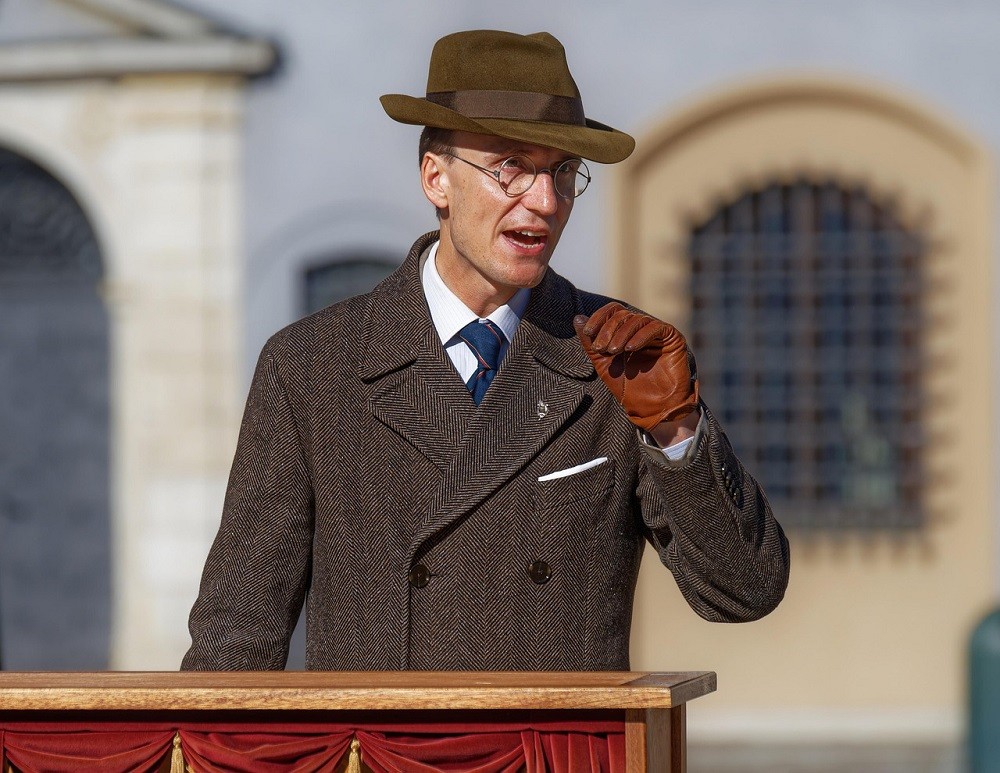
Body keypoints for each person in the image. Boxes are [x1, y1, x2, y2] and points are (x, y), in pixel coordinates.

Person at [182, 29, 789, 672]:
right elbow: (237, 635)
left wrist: (675, 430)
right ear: (436, 178)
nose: (546, 201)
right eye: (511, 168)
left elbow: (744, 591)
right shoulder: (313, 367)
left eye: (560, 172)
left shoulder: (623, 361)